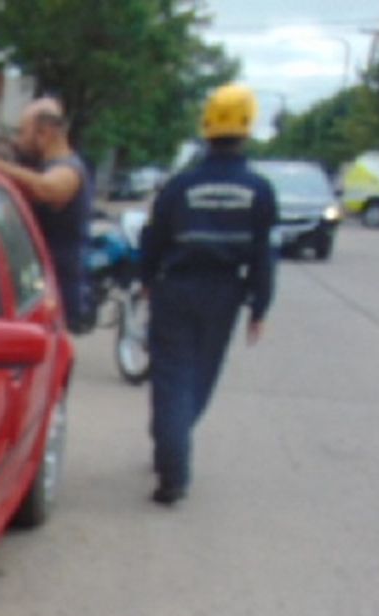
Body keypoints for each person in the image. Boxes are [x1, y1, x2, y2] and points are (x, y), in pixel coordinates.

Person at [137, 83, 277, 507]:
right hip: (223, 293)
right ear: (248, 129)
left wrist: (146, 279)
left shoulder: (180, 186)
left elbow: (153, 237)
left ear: (207, 127)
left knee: (171, 377)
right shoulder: (259, 189)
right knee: (200, 376)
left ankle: (170, 449)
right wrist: (259, 305)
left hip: (176, 289)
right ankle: (173, 445)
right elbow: (263, 253)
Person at [0, 98, 92, 332]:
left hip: (56, 297)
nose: (17, 141)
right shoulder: (41, 168)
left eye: (22, 132)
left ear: (44, 132)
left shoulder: (70, 169)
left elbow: (47, 189)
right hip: (36, 292)